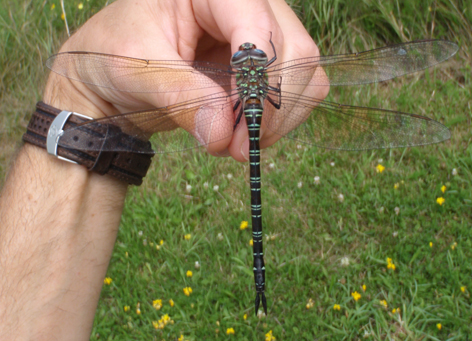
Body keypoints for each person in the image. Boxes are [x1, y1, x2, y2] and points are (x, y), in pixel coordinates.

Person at [0, 0, 324, 339]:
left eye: (251, 58)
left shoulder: (237, 83)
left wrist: (83, 99)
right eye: (245, 59)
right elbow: (275, 95)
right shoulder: (264, 79)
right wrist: (85, 97)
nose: (246, 54)